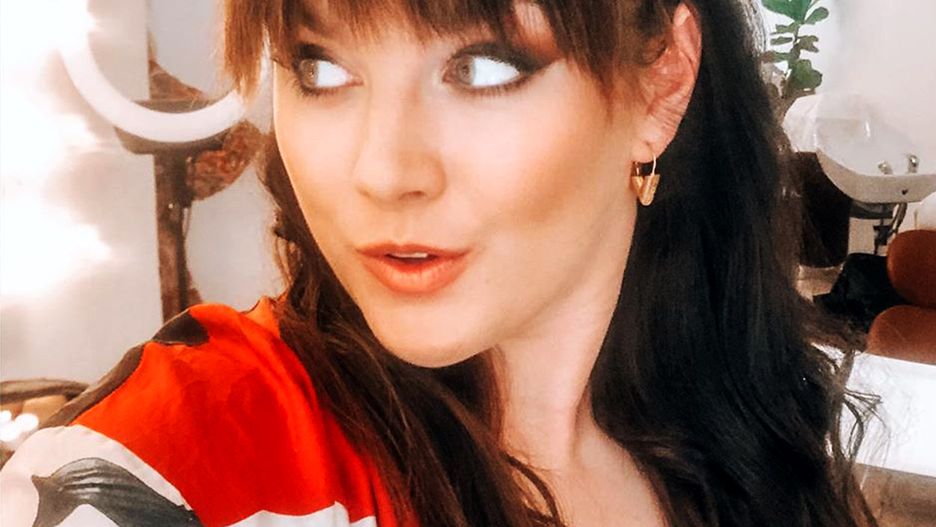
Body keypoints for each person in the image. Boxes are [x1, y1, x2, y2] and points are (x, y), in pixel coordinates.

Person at [0, 0, 876, 525]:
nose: (383, 172)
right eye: (320, 68)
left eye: (484, 66)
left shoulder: (740, 436)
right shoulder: (181, 458)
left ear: (662, 82)